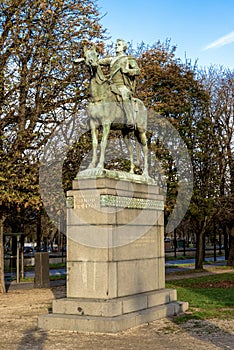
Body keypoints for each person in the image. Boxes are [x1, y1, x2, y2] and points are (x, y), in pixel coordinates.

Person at [98, 39, 141, 128]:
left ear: (124, 47)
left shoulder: (129, 59)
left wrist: (127, 71)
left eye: (119, 45)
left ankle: (130, 119)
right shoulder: (111, 59)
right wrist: (86, 58)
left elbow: (138, 71)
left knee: (125, 95)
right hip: (111, 85)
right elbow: (97, 62)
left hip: (122, 85)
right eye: (116, 44)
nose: (116, 46)